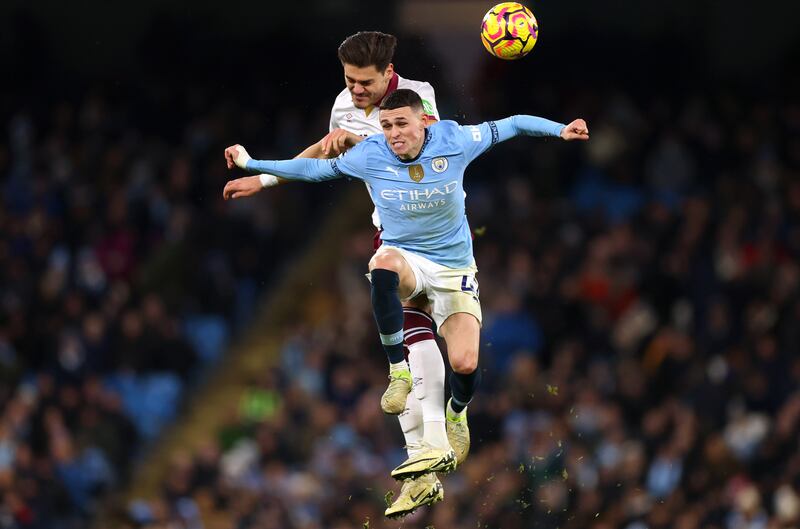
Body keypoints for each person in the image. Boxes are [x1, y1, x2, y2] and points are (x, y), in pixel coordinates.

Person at [224, 88, 589, 484]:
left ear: (424, 122)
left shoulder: (454, 140)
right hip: (407, 259)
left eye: (401, 124)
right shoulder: (371, 154)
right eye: (386, 126)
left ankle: (457, 413)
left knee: (465, 363)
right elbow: (313, 170)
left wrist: (560, 130)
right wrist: (252, 165)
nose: (394, 133)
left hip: (453, 268)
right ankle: (399, 371)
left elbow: (513, 124)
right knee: (381, 263)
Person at [222, 32, 450, 518]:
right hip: (393, 234)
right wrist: (263, 179)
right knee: (411, 343)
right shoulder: (343, 104)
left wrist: (361, 140)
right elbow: (325, 154)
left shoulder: (419, 95)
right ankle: (425, 457)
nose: (355, 90)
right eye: (348, 80)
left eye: (364, 82)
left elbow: (420, 152)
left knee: (459, 353)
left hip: (441, 233)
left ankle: (450, 425)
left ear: (389, 74)